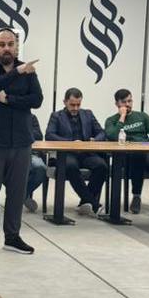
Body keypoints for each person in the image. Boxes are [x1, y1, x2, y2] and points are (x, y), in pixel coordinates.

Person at [0, 28, 43, 256]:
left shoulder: (28, 71)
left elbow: (37, 100)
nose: (6, 48)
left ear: (16, 46)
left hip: (22, 141)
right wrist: (17, 72)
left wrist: (9, 100)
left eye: (10, 44)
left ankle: (12, 238)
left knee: (16, 193)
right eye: (2, 44)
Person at [45, 87, 108, 215]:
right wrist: (71, 142)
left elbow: (101, 132)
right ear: (65, 102)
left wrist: (95, 140)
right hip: (66, 153)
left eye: (78, 104)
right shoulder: (56, 116)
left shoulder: (88, 114)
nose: (75, 108)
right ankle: (94, 204)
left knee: (102, 166)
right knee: (70, 166)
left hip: (86, 153)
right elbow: (49, 135)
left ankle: (85, 202)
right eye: (72, 105)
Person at [104, 89, 149, 215]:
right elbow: (112, 136)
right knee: (138, 156)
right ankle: (136, 196)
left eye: (130, 101)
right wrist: (122, 117)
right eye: (124, 102)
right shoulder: (111, 120)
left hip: (146, 149)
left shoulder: (142, 116)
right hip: (126, 154)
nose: (127, 104)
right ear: (117, 104)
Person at [24, 114, 47, 212]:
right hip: (9, 153)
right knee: (2, 166)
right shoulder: (3, 116)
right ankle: (21, 196)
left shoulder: (31, 117)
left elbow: (38, 135)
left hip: (31, 153)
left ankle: (21, 196)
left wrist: (21, 131)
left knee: (41, 167)